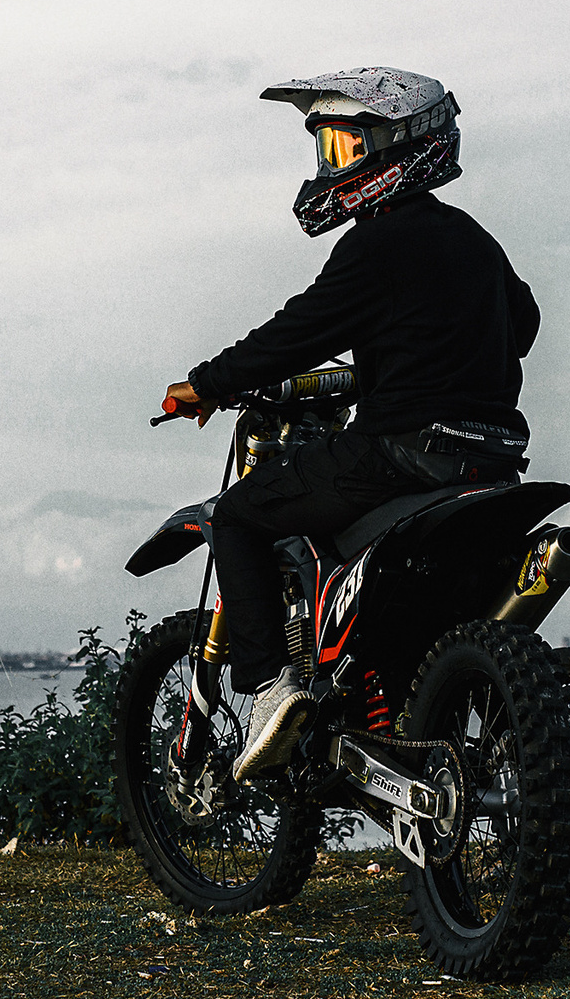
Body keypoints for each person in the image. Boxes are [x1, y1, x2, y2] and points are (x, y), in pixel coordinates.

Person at [162, 67, 540, 779]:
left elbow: (300, 329)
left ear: (398, 146)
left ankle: (274, 687)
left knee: (241, 514)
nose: (332, 166)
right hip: (495, 457)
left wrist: (205, 385)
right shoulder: (473, 239)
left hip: (404, 451)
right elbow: (523, 324)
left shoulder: (378, 242)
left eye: (343, 146)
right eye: (326, 150)